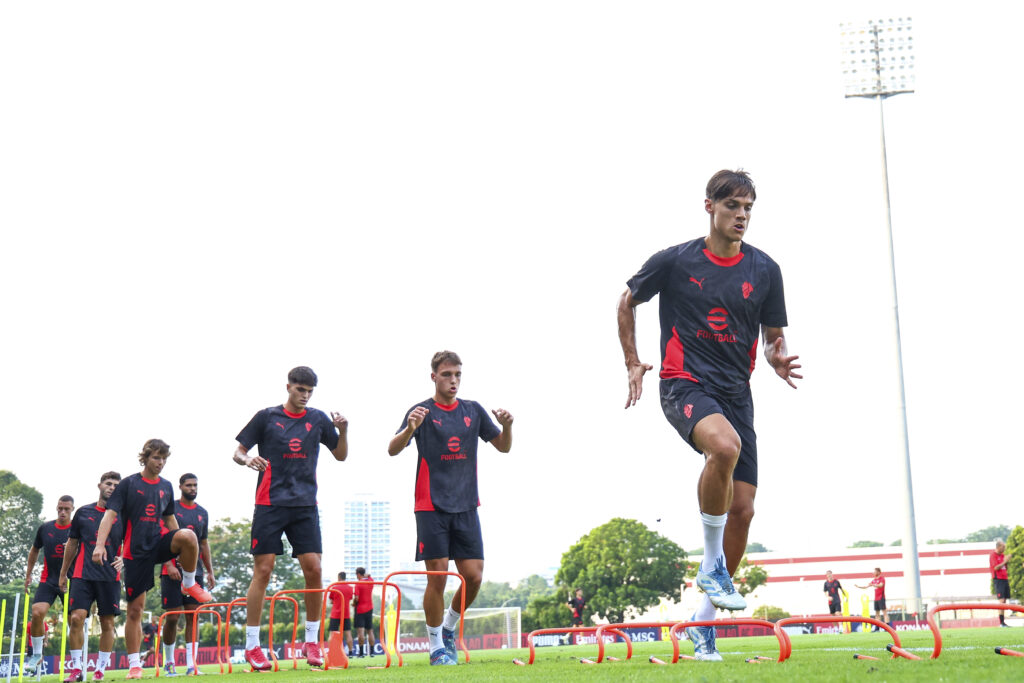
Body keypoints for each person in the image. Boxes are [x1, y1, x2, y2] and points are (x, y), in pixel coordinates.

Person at [617, 169, 800, 662]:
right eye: (733, 207)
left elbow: (772, 334)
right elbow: (627, 300)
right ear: (709, 207)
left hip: (737, 394)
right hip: (683, 383)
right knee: (723, 445)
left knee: (743, 510)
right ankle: (712, 569)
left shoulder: (765, 269)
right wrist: (633, 362)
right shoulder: (676, 261)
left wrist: (777, 355)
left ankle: (703, 623)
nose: (741, 216)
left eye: (748, 209)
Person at [388, 350, 514, 666]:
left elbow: (504, 446)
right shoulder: (421, 411)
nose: (453, 380)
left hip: (467, 505)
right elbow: (392, 449)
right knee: (438, 578)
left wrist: (507, 426)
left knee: (473, 577)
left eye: (457, 374)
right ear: (434, 377)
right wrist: (410, 429)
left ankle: (448, 628)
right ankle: (436, 649)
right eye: (447, 374)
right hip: (430, 505)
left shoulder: (473, 410)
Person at [233, 366, 349, 671]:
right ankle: (252, 646)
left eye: (310, 391)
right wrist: (248, 460)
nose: (305, 395)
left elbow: (340, 455)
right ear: (288, 387)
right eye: (300, 390)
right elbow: (238, 451)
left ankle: (312, 642)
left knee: (314, 569)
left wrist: (344, 430)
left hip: (305, 506)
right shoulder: (266, 417)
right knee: (264, 570)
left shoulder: (318, 419)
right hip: (270, 503)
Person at [94, 439, 211, 680]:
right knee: (135, 611)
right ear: (145, 457)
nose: (161, 463)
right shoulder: (128, 484)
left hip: (158, 543)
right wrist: (99, 545)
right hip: (135, 553)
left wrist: (178, 552)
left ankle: (189, 583)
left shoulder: (166, 486)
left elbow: (170, 521)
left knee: (188, 535)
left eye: (164, 458)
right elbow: (109, 516)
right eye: (156, 458)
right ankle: (135, 665)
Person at [58, 472, 123, 683]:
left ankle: (100, 670)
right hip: (82, 574)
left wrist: (127, 560)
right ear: (100, 485)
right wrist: (62, 574)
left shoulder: (123, 514)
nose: (112, 487)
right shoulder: (83, 513)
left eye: (116, 485)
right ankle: (76, 670)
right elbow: (72, 544)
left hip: (109, 575)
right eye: (108, 483)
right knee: (76, 618)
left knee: (107, 623)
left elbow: (135, 541)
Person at [160, 473, 216, 676]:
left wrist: (210, 571)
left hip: (195, 573)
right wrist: (169, 564)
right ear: (181, 486)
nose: (193, 488)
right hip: (171, 572)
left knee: (194, 616)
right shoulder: (170, 509)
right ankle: (169, 662)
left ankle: (192, 664)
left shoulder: (202, 513)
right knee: (173, 617)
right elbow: (162, 538)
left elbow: (203, 543)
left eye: (195, 485)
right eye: (189, 485)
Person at [23, 495, 75, 676]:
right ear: (56, 508)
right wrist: (28, 575)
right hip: (48, 579)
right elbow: (35, 549)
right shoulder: (45, 528)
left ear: (72, 510)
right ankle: (36, 654)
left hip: (71, 580)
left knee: (74, 622)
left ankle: (76, 663)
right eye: (60, 508)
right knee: (37, 613)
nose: (63, 512)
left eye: (66, 509)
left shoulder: (77, 529)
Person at [328, 571, 354, 657]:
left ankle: (331, 652)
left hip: (335, 614)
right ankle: (350, 653)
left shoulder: (334, 587)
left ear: (339, 577)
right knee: (348, 633)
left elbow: (331, 600)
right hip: (345, 614)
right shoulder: (350, 588)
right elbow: (350, 598)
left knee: (332, 634)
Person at [352, 568, 377, 657]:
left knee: (361, 632)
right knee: (370, 631)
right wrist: (367, 576)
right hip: (369, 608)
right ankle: (372, 652)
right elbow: (370, 576)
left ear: (358, 574)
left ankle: (362, 653)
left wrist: (354, 603)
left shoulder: (358, 584)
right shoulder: (370, 581)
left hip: (360, 609)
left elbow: (357, 598)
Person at [991, 539, 1013, 627]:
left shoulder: (1003, 555)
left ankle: (1003, 622)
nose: (1004, 549)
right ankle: (1001, 623)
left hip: (1005, 579)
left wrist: (1007, 561)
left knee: (1004, 601)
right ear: (998, 547)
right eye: (1003, 547)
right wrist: (1005, 561)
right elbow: (995, 568)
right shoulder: (993, 555)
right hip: (998, 579)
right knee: (1001, 600)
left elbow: (1005, 567)